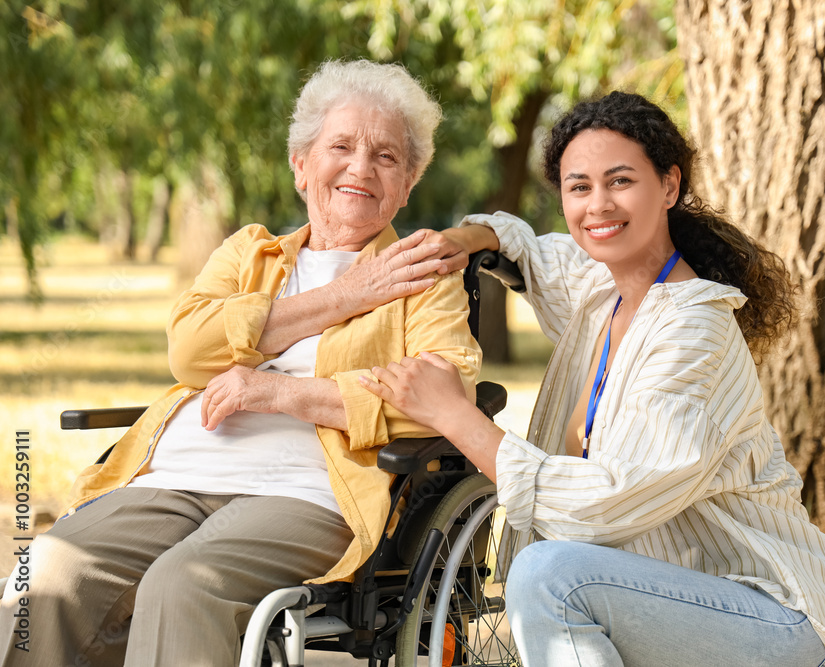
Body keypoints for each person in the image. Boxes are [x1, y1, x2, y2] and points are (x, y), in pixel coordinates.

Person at [0, 59, 481, 666]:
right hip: (176, 475)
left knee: (183, 584)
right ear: (301, 165)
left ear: (408, 184)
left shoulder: (420, 277)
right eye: (341, 146)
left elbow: (442, 397)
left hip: (308, 492)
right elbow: (191, 349)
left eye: (386, 157)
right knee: (45, 573)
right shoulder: (250, 253)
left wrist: (281, 394)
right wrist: (348, 296)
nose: (361, 166)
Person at [359, 91, 825, 667]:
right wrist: (471, 240)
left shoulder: (694, 332)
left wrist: (453, 415)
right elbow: (532, 250)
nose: (597, 206)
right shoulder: (605, 290)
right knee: (550, 575)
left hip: (768, 620)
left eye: (620, 181)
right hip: (665, 610)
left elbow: (605, 507)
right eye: (579, 187)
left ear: (669, 186)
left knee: (550, 576)